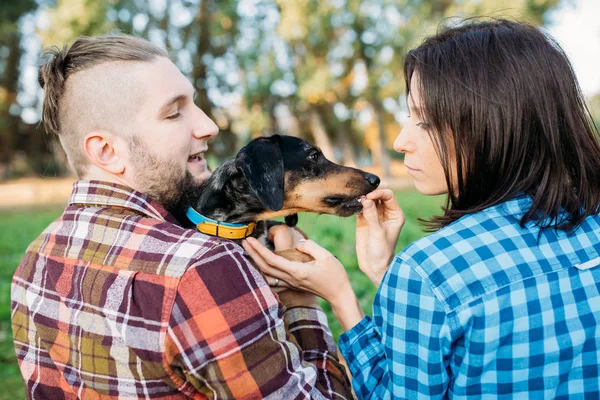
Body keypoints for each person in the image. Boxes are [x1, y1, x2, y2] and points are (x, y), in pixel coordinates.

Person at [243, 19, 600, 399]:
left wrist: (341, 296)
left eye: (424, 121)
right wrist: (384, 273)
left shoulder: (430, 271)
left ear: (492, 128)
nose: (400, 141)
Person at [10, 34, 353, 399]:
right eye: (174, 112)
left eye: (195, 105)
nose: (209, 125)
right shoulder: (203, 267)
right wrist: (302, 303)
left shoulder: (31, 266)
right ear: (107, 151)